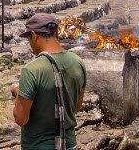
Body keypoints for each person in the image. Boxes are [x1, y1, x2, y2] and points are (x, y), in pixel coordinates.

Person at [11, 13, 86, 150]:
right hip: (69, 144)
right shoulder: (78, 63)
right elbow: (77, 106)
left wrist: (17, 91)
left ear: (34, 35)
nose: (30, 44)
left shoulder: (32, 70)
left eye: (29, 38)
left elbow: (21, 119)